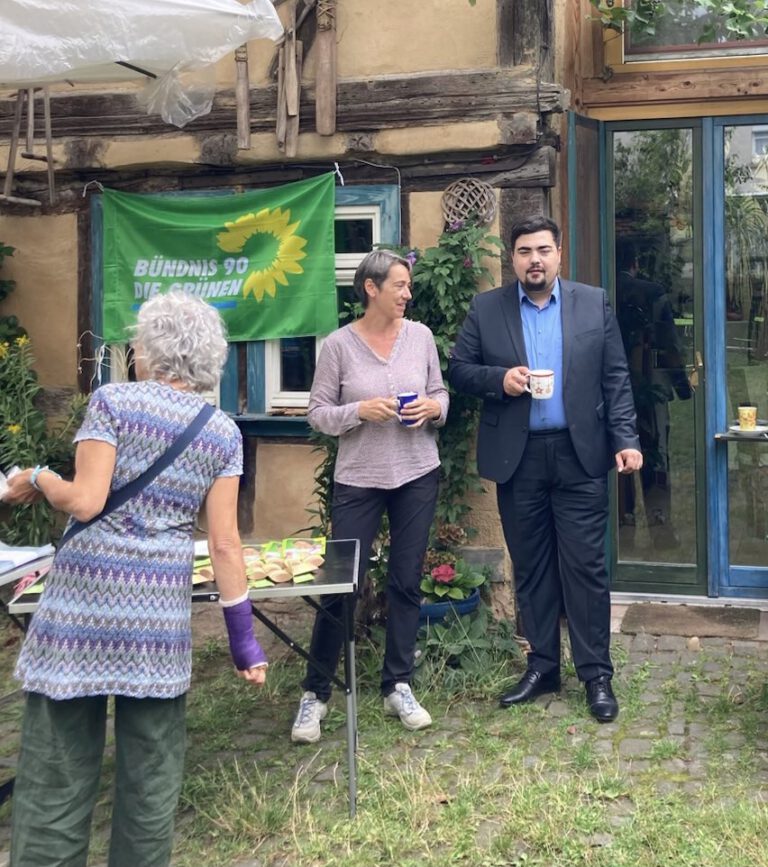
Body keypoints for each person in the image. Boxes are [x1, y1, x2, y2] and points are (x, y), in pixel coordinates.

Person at [3, 291, 267, 867]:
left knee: (56, 768)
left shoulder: (112, 401)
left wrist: (40, 476)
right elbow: (223, 543)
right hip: (155, 620)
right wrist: (244, 641)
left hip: (80, 612)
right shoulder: (223, 432)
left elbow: (86, 501)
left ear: (149, 349)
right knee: (151, 773)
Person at [448, 215, 642, 723]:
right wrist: (501, 380)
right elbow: (459, 369)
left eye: (543, 250)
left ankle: (596, 674)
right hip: (520, 456)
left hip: (580, 454)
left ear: (559, 254)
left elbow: (615, 377)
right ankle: (542, 666)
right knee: (531, 567)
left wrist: (626, 439)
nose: (535, 259)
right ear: (511, 258)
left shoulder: (591, 302)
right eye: (524, 251)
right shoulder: (487, 308)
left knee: (586, 567)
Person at [291, 249, 449, 743]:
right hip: (359, 478)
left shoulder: (421, 337)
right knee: (343, 585)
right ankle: (315, 694)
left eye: (409, 286)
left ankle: (397, 683)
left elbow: (442, 395)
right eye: (399, 285)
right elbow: (317, 413)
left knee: (405, 581)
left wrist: (431, 408)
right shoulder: (338, 346)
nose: (408, 293)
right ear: (371, 289)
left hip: (417, 472)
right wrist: (360, 410)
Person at [615, 239, 693, 551]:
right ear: (635, 263)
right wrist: (683, 387)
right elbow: (669, 344)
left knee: (619, 455)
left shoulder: (604, 291)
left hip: (612, 388)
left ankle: (625, 526)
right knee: (655, 451)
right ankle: (661, 525)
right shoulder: (653, 292)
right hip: (650, 383)